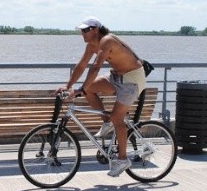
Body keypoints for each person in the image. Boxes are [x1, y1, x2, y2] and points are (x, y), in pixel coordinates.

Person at [55, 16, 147, 177]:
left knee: (117, 117)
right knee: (91, 89)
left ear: (96, 30)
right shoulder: (92, 45)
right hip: (117, 76)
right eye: (81, 30)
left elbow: (96, 67)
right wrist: (68, 86)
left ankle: (123, 159)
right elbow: (81, 65)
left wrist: (82, 89)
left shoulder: (107, 41)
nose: (82, 33)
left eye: (85, 30)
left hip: (131, 79)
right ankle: (107, 122)